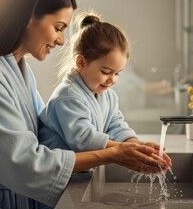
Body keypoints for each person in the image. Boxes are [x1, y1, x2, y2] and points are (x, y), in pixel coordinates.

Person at [0, 0, 170, 209]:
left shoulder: (18, 70)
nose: (61, 41)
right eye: (58, 28)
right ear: (28, 16)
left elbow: (42, 134)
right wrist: (114, 153)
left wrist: (130, 144)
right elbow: (24, 162)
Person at [38, 13, 168, 154]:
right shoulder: (68, 96)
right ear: (81, 62)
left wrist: (136, 144)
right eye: (106, 72)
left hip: (82, 169)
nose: (112, 79)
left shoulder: (108, 96)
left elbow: (116, 126)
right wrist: (123, 149)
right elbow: (83, 140)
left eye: (117, 73)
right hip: (58, 170)